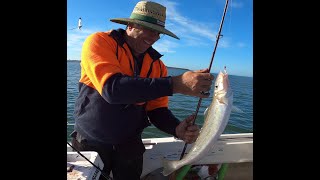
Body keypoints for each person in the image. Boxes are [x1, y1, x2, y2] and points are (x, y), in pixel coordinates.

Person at [70, 1, 214, 179]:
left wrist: (176, 128)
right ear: (130, 25)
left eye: (159, 32)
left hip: (130, 146)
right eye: (149, 29)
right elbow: (112, 89)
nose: (154, 37)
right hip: (91, 143)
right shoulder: (100, 42)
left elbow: (156, 109)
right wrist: (176, 84)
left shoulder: (158, 65)